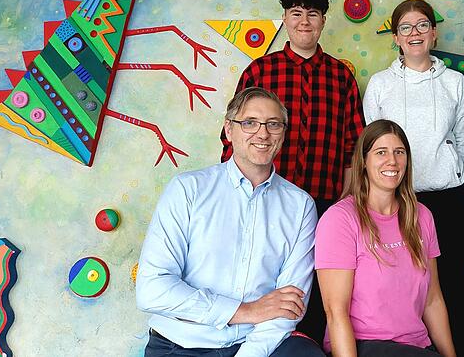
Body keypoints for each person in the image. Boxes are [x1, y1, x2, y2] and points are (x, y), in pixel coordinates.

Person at [220, 0, 365, 343]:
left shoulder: (341, 76)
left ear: (323, 22)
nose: (304, 22)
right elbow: (233, 139)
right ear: (285, 19)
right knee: (258, 276)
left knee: (315, 292)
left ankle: (308, 347)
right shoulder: (259, 71)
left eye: (312, 15)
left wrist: (344, 206)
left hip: (323, 203)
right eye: (297, 14)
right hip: (263, 198)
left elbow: (353, 146)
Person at [136, 87, 324, 357]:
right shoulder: (187, 190)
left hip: (257, 344)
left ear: (282, 135)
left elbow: (289, 305)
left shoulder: (301, 205)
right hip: (180, 345)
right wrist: (245, 311)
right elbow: (152, 290)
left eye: (273, 124)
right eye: (249, 123)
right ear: (228, 130)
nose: (262, 133)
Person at [362, 0, 464, 356]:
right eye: (406, 28)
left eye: (422, 25)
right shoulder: (380, 85)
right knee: (404, 289)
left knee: (454, 291)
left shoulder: (455, 82)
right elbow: (374, 145)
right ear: (396, 37)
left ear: (434, 32)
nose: (415, 33)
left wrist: (446, 170)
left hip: (446, 199)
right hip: (397, 201)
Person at [315, 120, 457, 357]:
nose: (392, 160)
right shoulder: (340, 219)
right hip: (364, 346)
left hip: (418, 348)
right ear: (364, 162)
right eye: (381, 152)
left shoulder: (422, 216)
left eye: (399, 152)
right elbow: (335, 312)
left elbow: (433, 300)